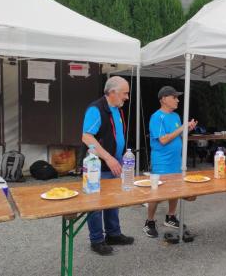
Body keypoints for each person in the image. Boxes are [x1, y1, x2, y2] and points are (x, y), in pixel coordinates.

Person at [81, 76, 134, 256]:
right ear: (112, 92)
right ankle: (97, 240)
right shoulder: (95, 109)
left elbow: (115, 136)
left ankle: (113, 234)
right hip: (97, 167)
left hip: (115, 165)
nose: (127, 97)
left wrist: (119, 160)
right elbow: (87, 137)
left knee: (113, 201)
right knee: (95, 204)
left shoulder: (117, 109)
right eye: (125, 93)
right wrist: (109, 158)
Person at [144, 86, 198, 238]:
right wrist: (182, 127)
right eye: (174, 97)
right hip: (162, 162)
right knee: (157, 193)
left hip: (176, 160)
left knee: (175, 189)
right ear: (163, 99)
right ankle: (149, 221)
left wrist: (187, 129)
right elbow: (163, 140)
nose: (177, 100)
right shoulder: (157, 117)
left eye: (177, 97)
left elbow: (178, 136)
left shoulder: (175, 116)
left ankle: (171, 217)